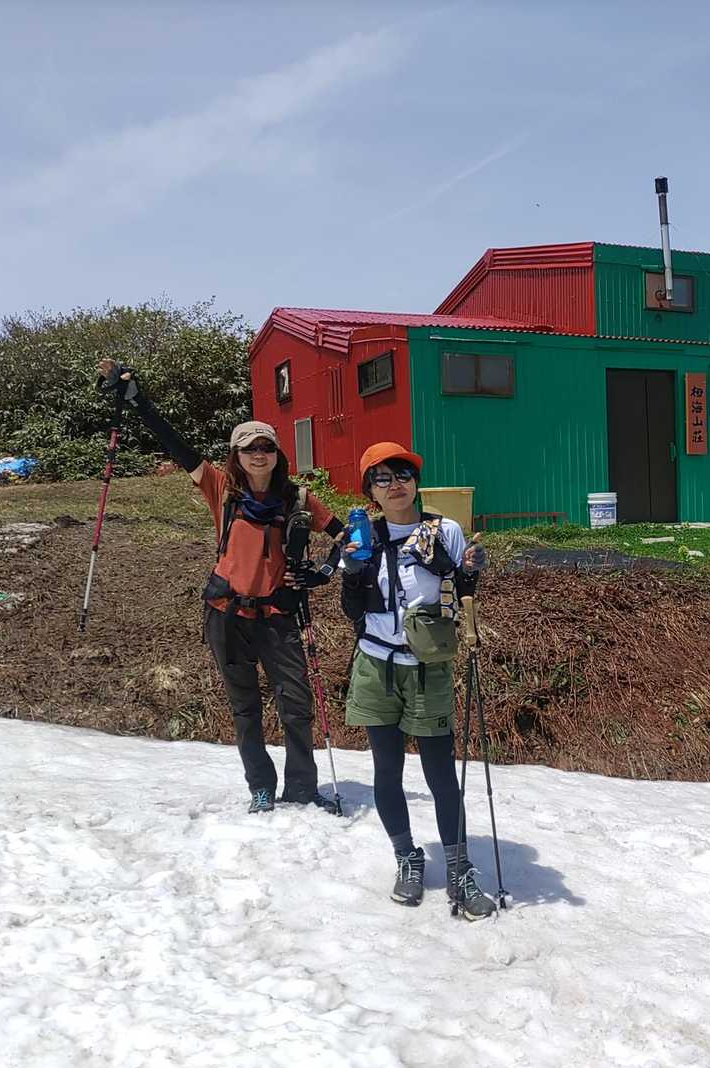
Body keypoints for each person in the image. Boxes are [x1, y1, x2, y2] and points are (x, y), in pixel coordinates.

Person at [96, 358, 345, 814]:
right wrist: (138, 402)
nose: (258, 454)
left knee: (296, 703)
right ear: (236, 455)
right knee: (244, 706)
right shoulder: (221, 489)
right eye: (249, 448)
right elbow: (178, 447)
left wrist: (324, 572)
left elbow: (348, 537)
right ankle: (261, 788)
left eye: (266, 447)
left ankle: (302, 788)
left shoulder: (298, 498)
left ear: (277, 453)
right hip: (226, 614)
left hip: (278, 616)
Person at [339, 441, 496, 919]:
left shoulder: (443, 531)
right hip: (375, 664)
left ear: (416, 482)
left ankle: (459, 867)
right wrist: (353, 570)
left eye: (402, 474)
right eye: (382, 478)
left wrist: (470, 568)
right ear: (369, 490)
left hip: (428, 666)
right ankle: (407, 856)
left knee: (440, 773)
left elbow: (463, 588)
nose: (394, 485)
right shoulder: (362, 535)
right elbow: (351, 609)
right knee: (386, 769)